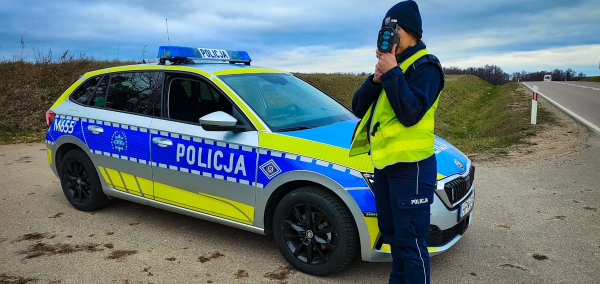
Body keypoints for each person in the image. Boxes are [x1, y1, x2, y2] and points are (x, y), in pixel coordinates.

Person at [349, 1, 444, 283]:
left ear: (407, 31)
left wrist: (392, 73)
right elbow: (357, 107)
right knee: (393, 237)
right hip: (386, 166)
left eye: (392, 30)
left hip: (412, 169)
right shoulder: (394, 67)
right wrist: (377, 78)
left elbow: (410, 113)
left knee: (411, 243)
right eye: (383, 30)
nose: (386, 37)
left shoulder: (427, 67)